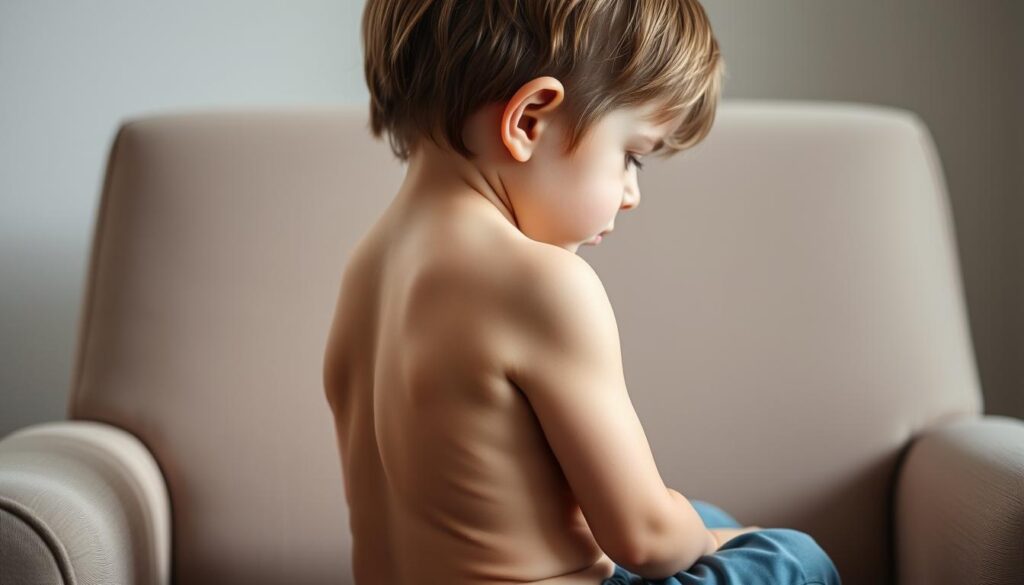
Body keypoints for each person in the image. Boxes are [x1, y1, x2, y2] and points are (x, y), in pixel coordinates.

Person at [322, 1, 841, 583]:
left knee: (705, 514)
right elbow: (643, 539)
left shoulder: (363, 272)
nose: (631, 193)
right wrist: (719, 540)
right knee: (794, 557)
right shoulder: (542, 284)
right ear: (528, 121)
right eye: (631, 156)